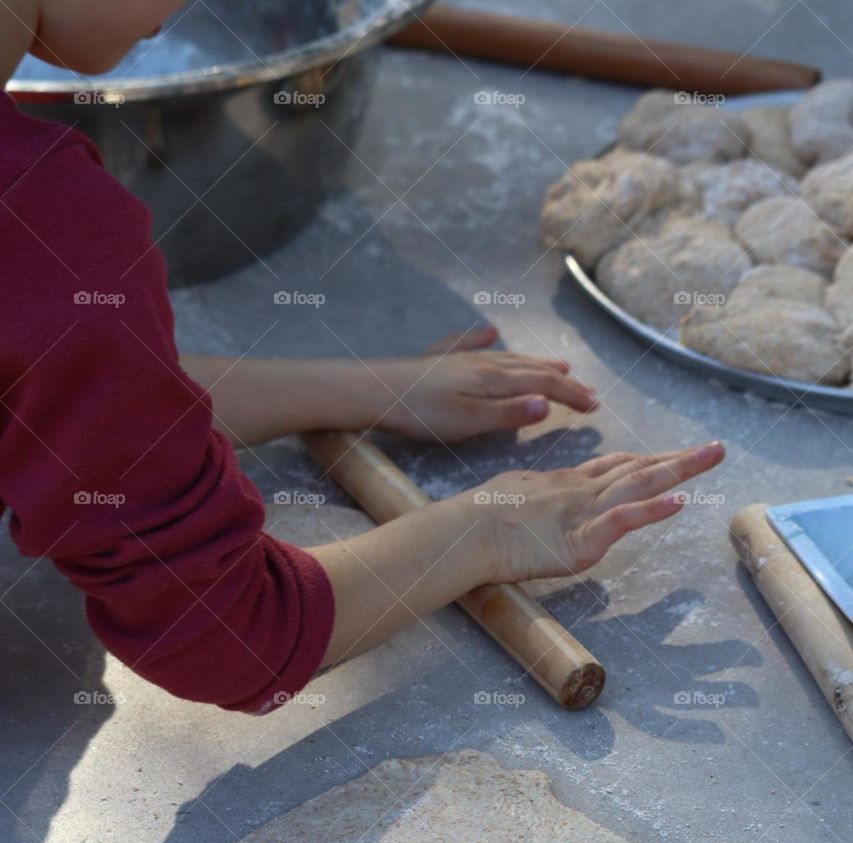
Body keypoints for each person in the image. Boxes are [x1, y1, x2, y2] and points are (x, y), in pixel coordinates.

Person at [0, 0, 724, 712]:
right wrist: (488, 529)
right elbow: (228, 632)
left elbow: (50, 395)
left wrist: (362, 389)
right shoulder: (51, 221)